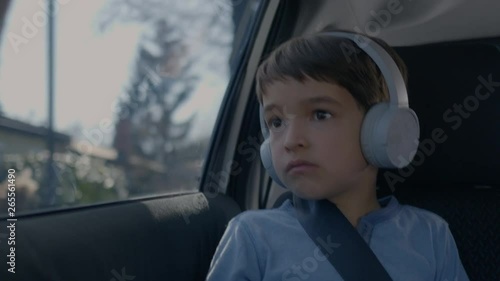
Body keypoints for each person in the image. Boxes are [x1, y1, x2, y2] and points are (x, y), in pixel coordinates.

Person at [205, 28, 470, 281]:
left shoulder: (430, 236)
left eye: (320, 114)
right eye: (276, 122)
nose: (291, 141)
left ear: (383, 130)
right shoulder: (251, 236)